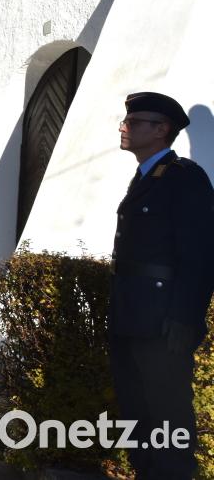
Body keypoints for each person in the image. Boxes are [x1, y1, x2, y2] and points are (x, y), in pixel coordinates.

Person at [109, 92, 214, 478]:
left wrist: (185, 319)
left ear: (161, 129)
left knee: (167, 419)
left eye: (135, 122)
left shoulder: (184, 177)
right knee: (137, 414)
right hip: (130, 316)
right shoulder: (144, 178)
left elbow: (201, 255)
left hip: (162, 324)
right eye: (127, 121)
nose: (124, 127)